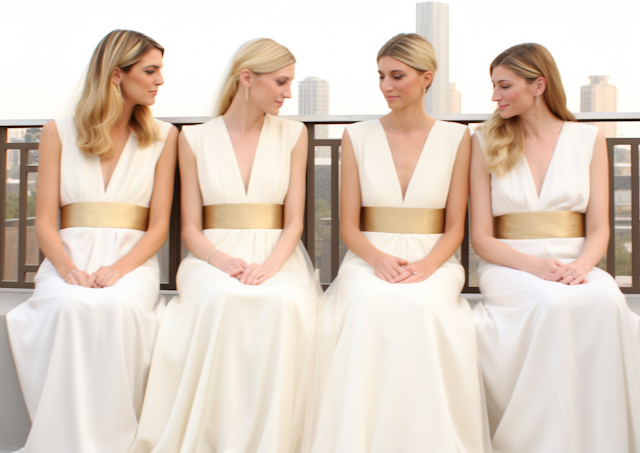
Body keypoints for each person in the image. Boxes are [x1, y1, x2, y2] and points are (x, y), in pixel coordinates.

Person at [302, 33, 487, 453]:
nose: (386, 85)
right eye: (381, 75)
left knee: (423, 305)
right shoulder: (357, 136)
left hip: (434, 259)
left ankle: (424, 438)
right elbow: (349, 225)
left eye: (397, 76)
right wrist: (378, 259)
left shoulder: (458, 138)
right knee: (366, 301)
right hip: (369, 257)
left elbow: (455, 227)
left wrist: (426, 266)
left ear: (427, 78)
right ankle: (363, 437)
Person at [134, 38, 320, 453]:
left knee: (284, 303)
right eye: (281, 82)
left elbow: (294, 221)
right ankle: (216, 435)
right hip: (211, 257)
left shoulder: (294, 134)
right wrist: (220, 260)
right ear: (246, 78)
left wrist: (270, 266)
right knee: (219, 299)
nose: (288, 93)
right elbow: (190, 228)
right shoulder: (194, 138)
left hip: (278, 256)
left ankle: (268, 441)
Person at [6, 30, 178, 453]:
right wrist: (68, 271)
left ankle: (113, 442)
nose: (160, 80)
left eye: (160, 70)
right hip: (68, 259)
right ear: (117, 74)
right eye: (150, 71)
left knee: (120, 308)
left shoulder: (164, 136)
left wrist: (118, 270)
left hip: (131, 263)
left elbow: (158, 226)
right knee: (67, 306)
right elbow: (44, 223)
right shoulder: (58, 132)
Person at [470, 43, 640, 452]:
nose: (494, 96)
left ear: (538, 85)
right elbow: (481, 238)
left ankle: (599, 438)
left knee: (606, 299)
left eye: (504, 85)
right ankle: (540, 439)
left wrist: (581, 267)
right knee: (551, 303)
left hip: (575, 263)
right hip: (510, 266)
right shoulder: (483, 140)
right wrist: (533, 266)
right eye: (493, 86)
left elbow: (598, 227)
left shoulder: (588, 138)